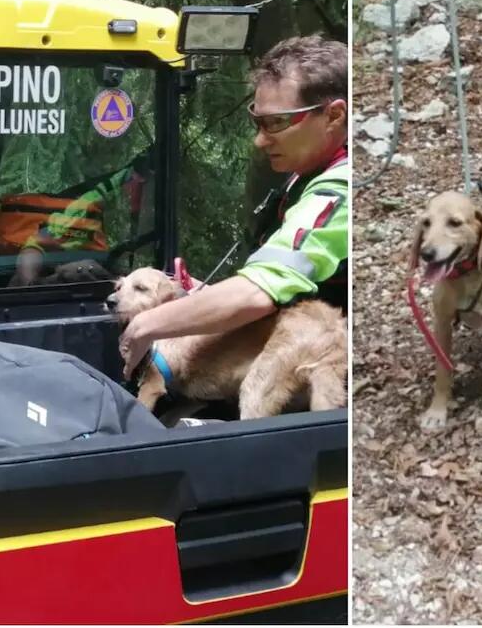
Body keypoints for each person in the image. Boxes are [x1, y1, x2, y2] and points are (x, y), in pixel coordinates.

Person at [119, 34, 349, 380]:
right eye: (257, 121)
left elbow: (259, 293)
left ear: (334, 115)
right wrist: (204, 300)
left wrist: (145, 325)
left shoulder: (339, 192)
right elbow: (283, 287)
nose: (259, 140)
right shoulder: (303, 176)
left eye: (276, 123)